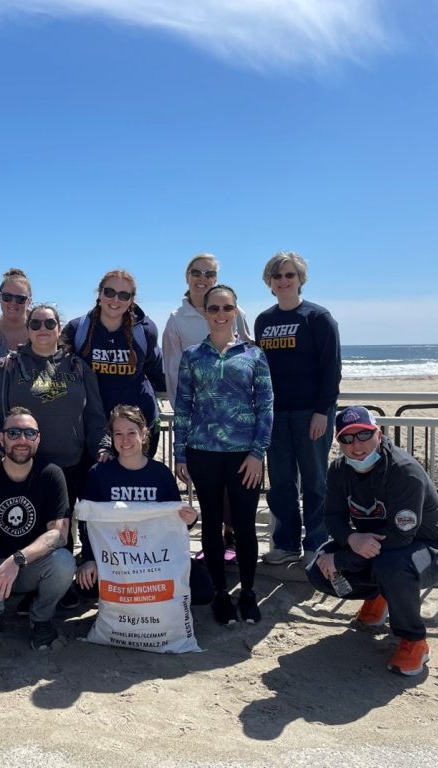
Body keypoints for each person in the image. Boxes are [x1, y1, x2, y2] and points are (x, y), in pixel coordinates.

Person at [309, 406, 438, 676]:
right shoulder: (339, 470)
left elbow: (401, 536)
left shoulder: (404, 472)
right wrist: (351, 538)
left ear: (378, 433)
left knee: (392, 567)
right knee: (318, 569)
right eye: (347, 438)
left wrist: (343, 557)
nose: (357, 446)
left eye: (364, 435)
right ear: (339, 442)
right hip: (374, 544)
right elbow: (332, 516)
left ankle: (414, 641)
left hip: (430, 550)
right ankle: (379, 597)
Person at [174, 284, 274, 626]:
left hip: (244, 456)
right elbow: (183, 407)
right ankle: (219, 594)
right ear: (206, 312)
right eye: (213, 308)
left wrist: (258, 453)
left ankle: (247, 592)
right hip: (203, 453)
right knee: (212, 525)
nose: (220, 314)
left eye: (226, 308)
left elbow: (266, 407)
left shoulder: (254, 355)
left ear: (235, 311)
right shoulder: (191, 356)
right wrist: (180, 454)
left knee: (244, 526)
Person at [75, 405, 214, 606]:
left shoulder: (161, 474)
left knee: (203, 591)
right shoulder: (99, 473)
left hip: (154, 558)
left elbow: (177, 522)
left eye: (132, 432)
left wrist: (191, 520)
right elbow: (87, 523)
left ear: (144, 433)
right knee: (86, 587)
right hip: (114, 560)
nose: (125, 440)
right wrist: (89, 559)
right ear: (111, 437)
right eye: (118, 433)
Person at [0, 407, 76, 649]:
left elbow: (59, 535)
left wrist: (17, 560)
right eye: (13, 433)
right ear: (1, 438)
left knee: (64, 562)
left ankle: (40, 617)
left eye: (29, 433)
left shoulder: (51, 474)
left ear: (38, 438)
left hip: (29, 563)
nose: (22, 440)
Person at [256, 251, 341, 566]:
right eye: (277, 276)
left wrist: (323, 410)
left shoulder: (318, 318)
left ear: (300, 279)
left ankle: (317, 543)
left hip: (312, 414)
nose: (283, 281)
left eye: (289, 275)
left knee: (316, 481)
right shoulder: (264, 321)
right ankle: (286, 542)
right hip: (276, 415)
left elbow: (331, 368)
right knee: (281, 483)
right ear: (270, 282)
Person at [0, 303, 109, 506]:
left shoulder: (78, 367)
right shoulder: (8, 366)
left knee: (61, 531)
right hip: (21, 464)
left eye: (49, 323)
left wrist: (102, 447)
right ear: (28, 329)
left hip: (70, 465)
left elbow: (95, 416)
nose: (43, 328)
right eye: (35, 323)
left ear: (59, 328)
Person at [62, 270, 165, 458]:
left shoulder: (145, 331)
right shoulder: (78, 329)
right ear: (99, 293)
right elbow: (59, 367)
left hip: (137, 426)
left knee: (135, 484)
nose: (115, 299)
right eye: (109, 292)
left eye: (124, 295)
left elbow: (156, 371)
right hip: (94, 427)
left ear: (131, 300)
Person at [162, 253, 253, 407]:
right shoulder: (176, 320)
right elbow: (173, 374)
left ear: (215, 279)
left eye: (209, 274)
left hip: (235, 410)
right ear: (187, 277)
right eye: (196, 273)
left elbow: (249, 360)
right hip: (197, 412)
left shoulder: (236, 312)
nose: (202, 279)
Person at [0, 268, 33, 354]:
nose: (13, 303)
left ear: (29, 301)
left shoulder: (43, 329)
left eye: (20, 299)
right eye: (7, 297)